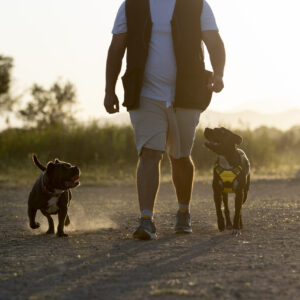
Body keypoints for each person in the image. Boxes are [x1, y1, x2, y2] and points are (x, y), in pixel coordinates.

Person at [104, 0, 225, 240]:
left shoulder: (197, 5)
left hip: (187, 94)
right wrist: (109, 90)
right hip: (144, 93)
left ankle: (183, 212)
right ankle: (146, 219)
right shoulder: (130, 6)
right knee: (149, 153)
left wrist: (219, 74)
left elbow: (214, 43)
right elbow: (116, 49)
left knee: (180, 156)